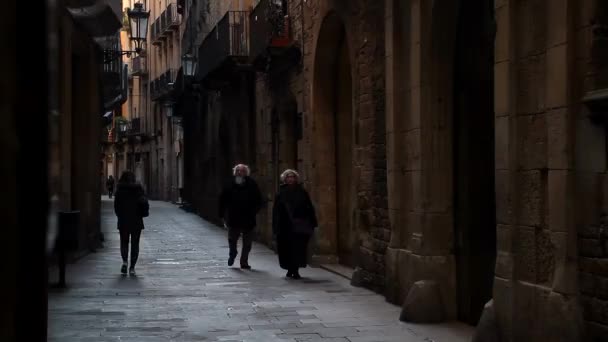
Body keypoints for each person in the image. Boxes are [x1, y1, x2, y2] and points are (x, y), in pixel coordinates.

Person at [272, 169, 318, 279]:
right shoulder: (280, 193)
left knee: (298, 248)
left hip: (299, 225)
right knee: (286, 248)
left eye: (292, 177)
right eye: (288, 177)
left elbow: (309, 207)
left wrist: (312, 221)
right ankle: (289, 268)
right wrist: (276, 226)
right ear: (285, 179)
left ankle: (295, 269)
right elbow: (276, 211)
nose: (290, 179)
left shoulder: (302, 192)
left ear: (295, 178)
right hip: (285, 226)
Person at [218, 164, 264, 269]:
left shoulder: (252, 184)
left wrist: (254, 211)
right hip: (233, 216)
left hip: (248, 217)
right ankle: (232, 253)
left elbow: (258, 199)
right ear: (235, 172)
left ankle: (244, 262)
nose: (240, 172)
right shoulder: (229, 183)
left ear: (246, 172)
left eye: (242, 171)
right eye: (238, 170)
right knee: (232, 239)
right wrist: (221, 214)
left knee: (247, 243)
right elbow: (222, 199)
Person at [114, 171, 148, 276]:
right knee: (135, 244)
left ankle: (124, 261)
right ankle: (132, 267)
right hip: (136, 220)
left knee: (124, 242)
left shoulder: (119, 190)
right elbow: (144, 203)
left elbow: (116, 207)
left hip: (123, 221)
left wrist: (120, 215)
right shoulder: (138, 189)